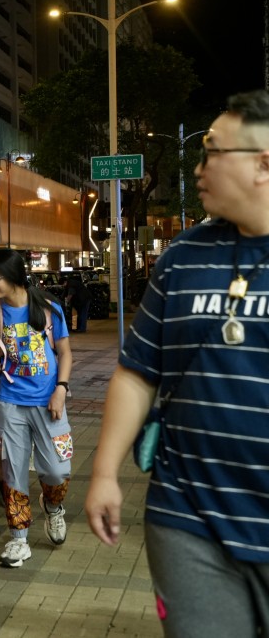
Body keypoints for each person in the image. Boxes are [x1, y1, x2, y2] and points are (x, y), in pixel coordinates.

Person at [85, 90, 269, 636]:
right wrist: (103, 474)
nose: (198, 163)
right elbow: (138, 371)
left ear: (263, 163)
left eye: (213, 149)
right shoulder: (182, 257)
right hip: (187, 517)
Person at [0, 248, 73, 568]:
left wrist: (61, 389)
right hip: (10, 405)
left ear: (14, 277)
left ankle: (53, 506)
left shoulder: (49, 310)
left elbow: (65, 353)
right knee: (13, 473)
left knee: (57, 470)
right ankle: (19, 540)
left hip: (49, 404)